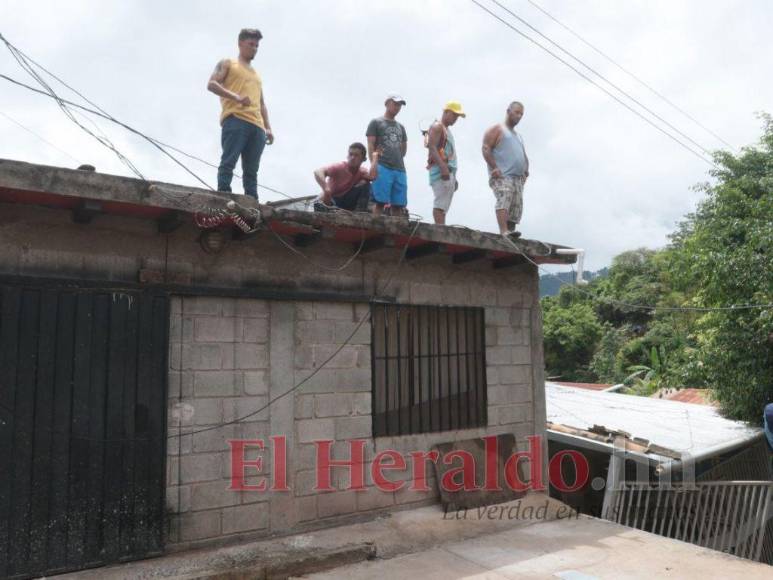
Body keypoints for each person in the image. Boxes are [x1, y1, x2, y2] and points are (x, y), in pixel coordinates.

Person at [208, 28, 274, 200]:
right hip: (236, 119)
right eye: (251, 44)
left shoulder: (256, 75)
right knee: (229, 160)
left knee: (252, 170)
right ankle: (224, 193)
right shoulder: (228, 63)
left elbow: (261, 103)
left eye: (257, 46)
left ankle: (252, 200)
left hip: (257, 126)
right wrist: (236, 97)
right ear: (240, 43)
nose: (254, 48)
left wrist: (268, 127)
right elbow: (212, 84)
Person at [482, 101, 530, 237]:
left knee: (516, 205)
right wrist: (494, 167)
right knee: (505, 196)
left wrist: (526, 169)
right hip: (503, 175)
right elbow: (486, 148)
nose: (519, 116)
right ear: (508, 111)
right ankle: (503, 231)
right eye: (517, 112)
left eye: (521, 114)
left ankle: (511, 233)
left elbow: (523, 154)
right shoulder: (497, 129)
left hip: (517, 178)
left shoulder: (518, 135)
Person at [366, 95, 408, 217]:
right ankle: (374, 226)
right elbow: (370, 145)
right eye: (395, 104)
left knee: (399, 204)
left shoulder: (401, 127)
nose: (397, 107)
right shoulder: (376, 122)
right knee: (380, 202)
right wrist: (373, 165)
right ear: (387, 103)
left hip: (399, 168)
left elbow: (404, 149)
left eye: (399, 105)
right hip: (382, 165)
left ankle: (396, 228)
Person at [427, 101, 465, 225]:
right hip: (441, 170)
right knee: (440, 204)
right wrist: (443, 167)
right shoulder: (437, 126)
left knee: (444, 205)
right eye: (454, 115)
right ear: (446, 112)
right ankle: (440, 228)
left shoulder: (447, 130)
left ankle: (441, 226)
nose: (455, 119)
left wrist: (454, 177)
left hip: (449, 171)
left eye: (457, 117)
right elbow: (431, 147)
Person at [313, 143, 380, 212]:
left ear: (363, 159)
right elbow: (318, 172)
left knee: (366, 183)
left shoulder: (362, 171)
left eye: (356, 155)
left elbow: (372, 176)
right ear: (347, 156)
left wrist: (375, 157)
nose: (352, 158)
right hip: (331, 200)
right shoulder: (339, 167)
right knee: (320, 201)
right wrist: (326, 189)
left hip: (345, 201)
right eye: (350, 154)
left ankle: (359, 213)